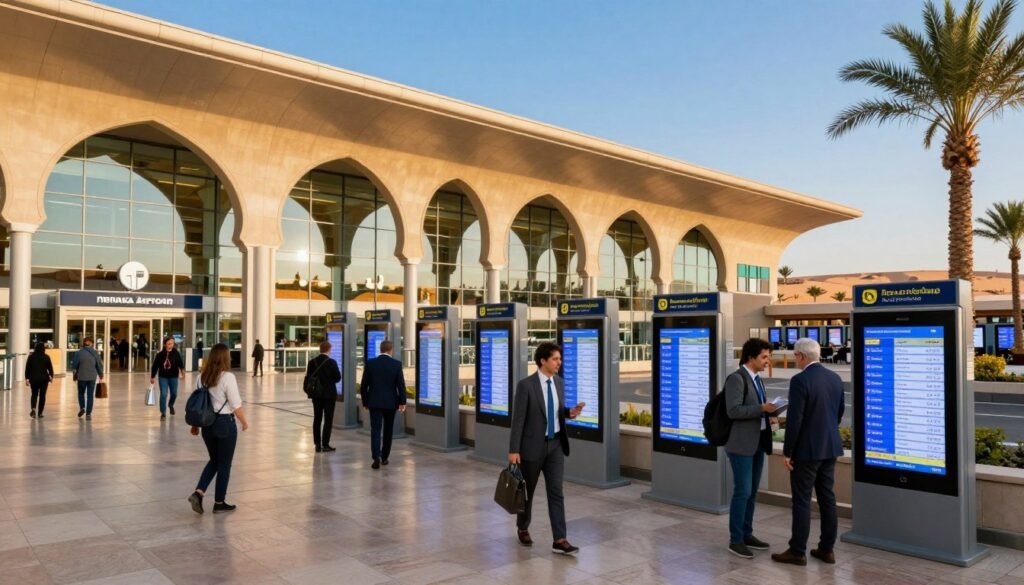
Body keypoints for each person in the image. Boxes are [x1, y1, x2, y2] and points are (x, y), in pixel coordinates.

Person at [772, 337, 845, 566]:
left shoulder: (800, 380)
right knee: (827, 498)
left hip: (806, 452)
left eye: (795, 356)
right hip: (830, 447)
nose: (795, 360)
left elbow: (795, 420)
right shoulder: (835, 378)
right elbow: (839, 412)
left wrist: (788, 452)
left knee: (802, 501)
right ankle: (827, 549)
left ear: (801, 356)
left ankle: (797, 551)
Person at [508, 342, 586, 556]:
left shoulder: (559, 383)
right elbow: (518, 420)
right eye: (555, 359)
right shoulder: (526, 386)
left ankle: (560, 539)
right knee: (527, 493)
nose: (559, 363)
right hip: (532, 447)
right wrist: (514, 449)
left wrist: (569, 412)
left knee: (556, 493)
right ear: (543, 361)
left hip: (556, 446)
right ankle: (523, 527)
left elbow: (557, 412)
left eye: (560, 359)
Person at [724, 337, 778, 559]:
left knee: (752, 492)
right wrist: (761, 408)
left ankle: (747, 533)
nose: (768, 361)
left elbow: (759, 409)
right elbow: (734, 411)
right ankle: (735, 540)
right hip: (741, 444)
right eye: (764, 357)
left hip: (758, 442)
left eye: (769, 356)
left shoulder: (757, 379)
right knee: (743, 491)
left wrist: (771, 415)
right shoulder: (736, 379)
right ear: (750, 357)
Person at [188, 343, 249, 515]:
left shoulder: (201, 377)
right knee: (224, 464)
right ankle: (219, 502)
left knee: (214, 460)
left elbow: (197, 405)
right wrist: (244, 422)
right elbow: (236, 404)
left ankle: (198, 492)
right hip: (224, 424)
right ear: (224, 357)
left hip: (207, 425)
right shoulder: (227, 377)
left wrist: (195, 426)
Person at [359, 339, 406, 467]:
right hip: (391, 403)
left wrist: (365, 401)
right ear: (391, 350)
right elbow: (400, 385)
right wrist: (402, 402)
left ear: (380, 349)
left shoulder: (371, 363)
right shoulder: (396, 364)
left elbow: (364, 385)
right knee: (388, 430)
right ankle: (384, 457)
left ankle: (376, 457)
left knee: (375, 429)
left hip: (374, 402)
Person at [304, 341, 342, 453]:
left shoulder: (312, 362)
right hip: (329, 395)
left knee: (317, 418)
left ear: (320, 349)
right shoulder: (332, 362)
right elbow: (337, 378)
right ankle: (325, 444)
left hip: (316, 395)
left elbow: (308, 377)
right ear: (329, 349)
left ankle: (317, 444)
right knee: (328, 419)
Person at [151, 337, 186, 420]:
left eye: (172, 343)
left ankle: (171, 404)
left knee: (174, 394)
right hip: (163, 377)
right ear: (165, 344)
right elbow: (155, 366)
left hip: (173, 376)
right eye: (169, 343)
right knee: (163, 394)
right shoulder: (160, 355)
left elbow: (180, 363)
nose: (171, 345)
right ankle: (163, 413)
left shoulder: (176, 353)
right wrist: (152, 377)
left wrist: (182, 372)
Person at [71, 337, 104, 420]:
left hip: (81, 376)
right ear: (92, 344)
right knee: (90, 395)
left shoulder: (79, 353)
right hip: (92, 377)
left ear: (84, 343)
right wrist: (101, 374)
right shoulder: (95, 353)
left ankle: (82, 407)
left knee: (81, 393)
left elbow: (74, 365)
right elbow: (99, 365)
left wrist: (75, 374)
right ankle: (88, 414)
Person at [24, 342, 54, 418]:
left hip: (33, 379)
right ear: (43, 349)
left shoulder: (31, 357)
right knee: (42, 396)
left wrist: (27, 378)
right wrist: (51, 376)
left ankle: (33, 409)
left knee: (34, 394)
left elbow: (27, 369)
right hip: (44, 379)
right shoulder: (46, 357)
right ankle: (40, 413)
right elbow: (50, 368)